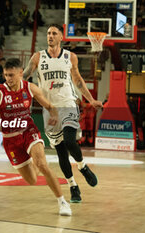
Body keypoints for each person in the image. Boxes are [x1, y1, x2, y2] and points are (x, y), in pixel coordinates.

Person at [0, 58, 72, 216]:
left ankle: (62, 202)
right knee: (32, 180)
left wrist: (54, 117)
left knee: (42, 165)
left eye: (12, 75)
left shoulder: (31, 88)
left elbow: (50, 106)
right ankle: (36, 162)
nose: (8, 79)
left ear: (21, 73)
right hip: (10, 140)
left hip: (29, 130)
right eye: (6, 75)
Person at [23, 24, 103, 203]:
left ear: (61, 37)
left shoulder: (70, 57)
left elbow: (78, 80)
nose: (50, 36)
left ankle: (83, 167)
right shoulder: (38, 57)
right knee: (61, 152)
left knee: (69, 140)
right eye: (49, 33)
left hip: (68, 104)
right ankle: (73, 186)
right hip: (49, 108)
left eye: (54, 33)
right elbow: (25, 75)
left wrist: (90, 100)